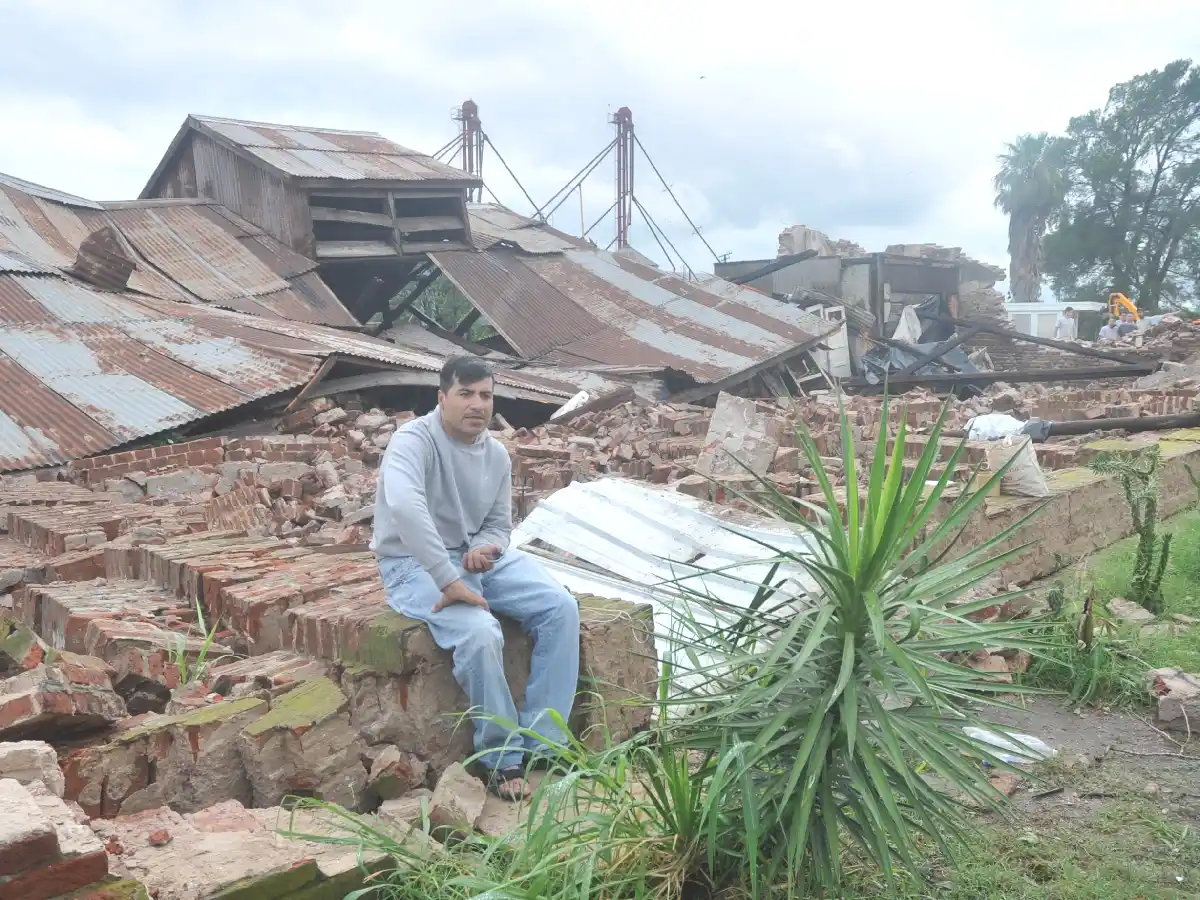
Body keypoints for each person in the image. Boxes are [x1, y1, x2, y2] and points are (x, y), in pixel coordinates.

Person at [371, 356, 580, 800]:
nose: (477, 405)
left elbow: (498, 524)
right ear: (442, 397)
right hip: (413, 563)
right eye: (465, 394)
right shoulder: (413, 443)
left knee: (560, 607)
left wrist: (486, 548)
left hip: (472, 558)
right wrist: (447, 578)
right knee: (481, 633)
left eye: (486, 395)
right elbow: (407, 510)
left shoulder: (495, 454)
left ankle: (545, 742)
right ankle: (502, 757)